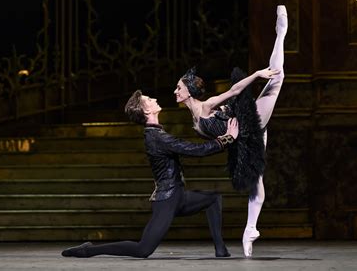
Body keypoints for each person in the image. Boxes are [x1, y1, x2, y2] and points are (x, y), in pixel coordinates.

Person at [61, 89, 239, 259]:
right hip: (167, 200)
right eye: (149, 100)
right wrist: (227, 138)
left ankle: (221, 250)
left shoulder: (157, 133)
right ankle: (89, 250)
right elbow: (194, 150)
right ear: (146, 110)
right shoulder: (156, 137)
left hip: (178, 196)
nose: (154, 100)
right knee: (142, 250)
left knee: (213, 198)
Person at [173, 5, 288, 257]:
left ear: (189, 92)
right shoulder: (195, 119)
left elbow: (234, 92)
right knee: (255, 181)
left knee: (275, 81)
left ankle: (281, 33)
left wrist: (257, 74)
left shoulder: (205, 106)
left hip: (247, 120)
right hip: (242, 140)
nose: (175, 92)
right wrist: (228, 138)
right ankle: (250, 230)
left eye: (179, 88)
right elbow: (215, 143)